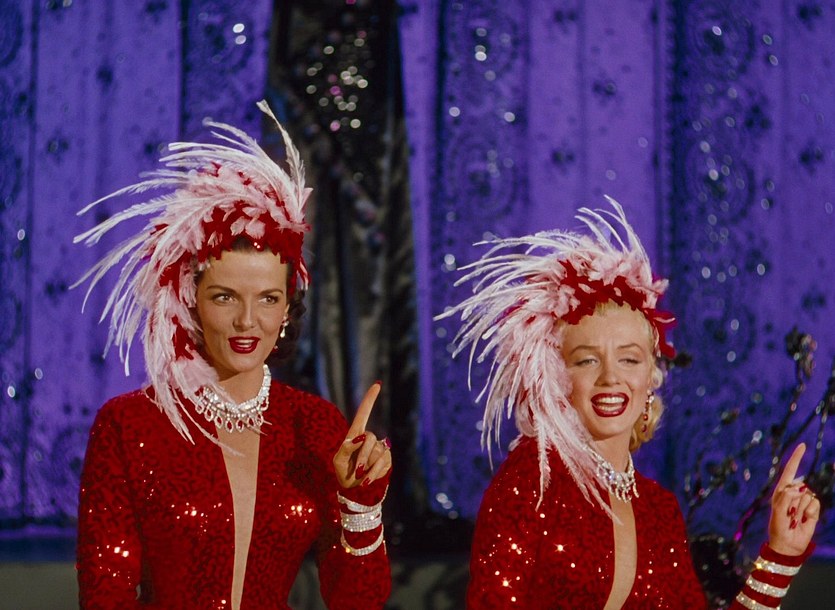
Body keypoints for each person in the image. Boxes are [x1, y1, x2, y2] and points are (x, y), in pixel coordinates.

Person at [74, 101, 392, 609]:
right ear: (190, 300)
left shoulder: (313, 425)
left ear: (287, 307)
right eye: (225, 297)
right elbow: (105, 595)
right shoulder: (129, 426)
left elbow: (359, 600)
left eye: (268, 298)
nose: (248, 321)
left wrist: (360, 505)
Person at [440, 198, 820, 609]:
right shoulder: (532, 480)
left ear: (649, 378)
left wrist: (780, 555)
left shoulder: (659, 510)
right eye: (586, 360)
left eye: (629, 359)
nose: (611, 377)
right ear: (556, 378)